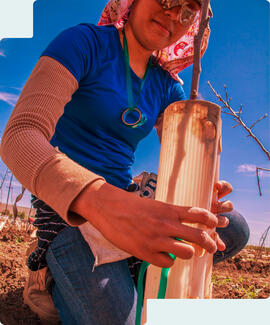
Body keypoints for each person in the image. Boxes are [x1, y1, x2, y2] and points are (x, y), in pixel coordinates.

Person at [0, 0, 250, 324]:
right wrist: (99, 202)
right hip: (69, 210)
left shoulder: (167, 87)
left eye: (188, 11)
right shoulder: (85, 43)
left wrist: (199, 189)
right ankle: (52, 274)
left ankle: (126, 270)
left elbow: (180, 161)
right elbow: (21, 135)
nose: (174, 14)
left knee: (232, 227)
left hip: (127, 200)